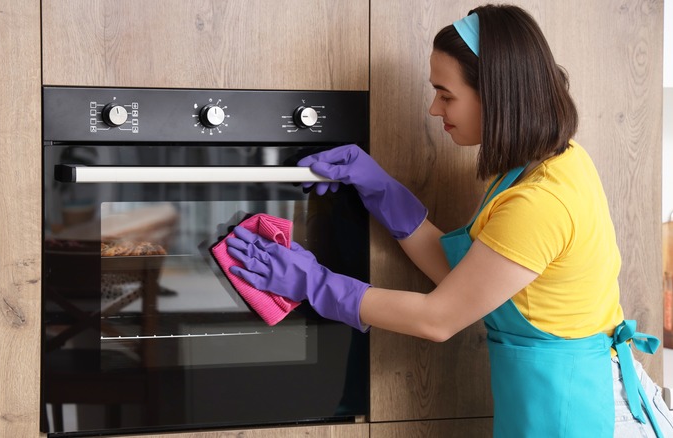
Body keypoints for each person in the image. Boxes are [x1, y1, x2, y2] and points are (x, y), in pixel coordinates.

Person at [225, 4, 673, 437]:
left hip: (581, 415)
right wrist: (378, 186)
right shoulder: (546, 161)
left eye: (446, 95)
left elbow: (438, 319)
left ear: (496, 96)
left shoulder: (541, 201)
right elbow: (468, 278)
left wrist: (314, 283)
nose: (434, 110)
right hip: (555, 402)